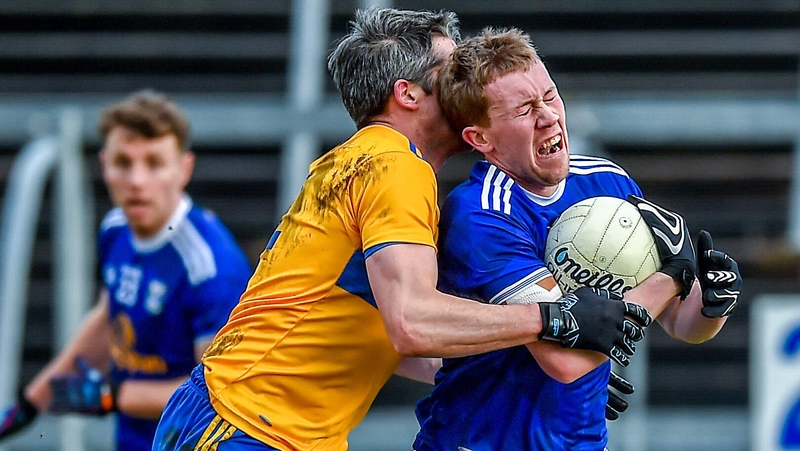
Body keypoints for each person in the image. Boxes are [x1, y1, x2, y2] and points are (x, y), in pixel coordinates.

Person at [150, 8, 653, 451]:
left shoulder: (363, 161)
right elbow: (411, 323)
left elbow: (376, 334)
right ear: (408, 93)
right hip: (247, 425)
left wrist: (520, 377)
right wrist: (554, 320)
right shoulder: (396, 168)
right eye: (451, 72)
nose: (467, 87)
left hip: (255, 420)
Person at [412, 28, 743, 451]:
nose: (549, 117)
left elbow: (680, 322)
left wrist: (712, 304)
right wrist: (671, 278)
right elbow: (565, 360)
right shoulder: (480, 216)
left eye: (550, 96)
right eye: (524, 109)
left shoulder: (608, 182)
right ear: (481, 139)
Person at [0, 90, 253, 451]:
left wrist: (112, 396)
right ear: (104, 165)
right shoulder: (115, 229)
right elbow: (109, 317)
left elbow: (218, 395)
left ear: (184, 169)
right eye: (123, 162)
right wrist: (31, 404)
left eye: (154, 163)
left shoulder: (209, 267)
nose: (136, 181)